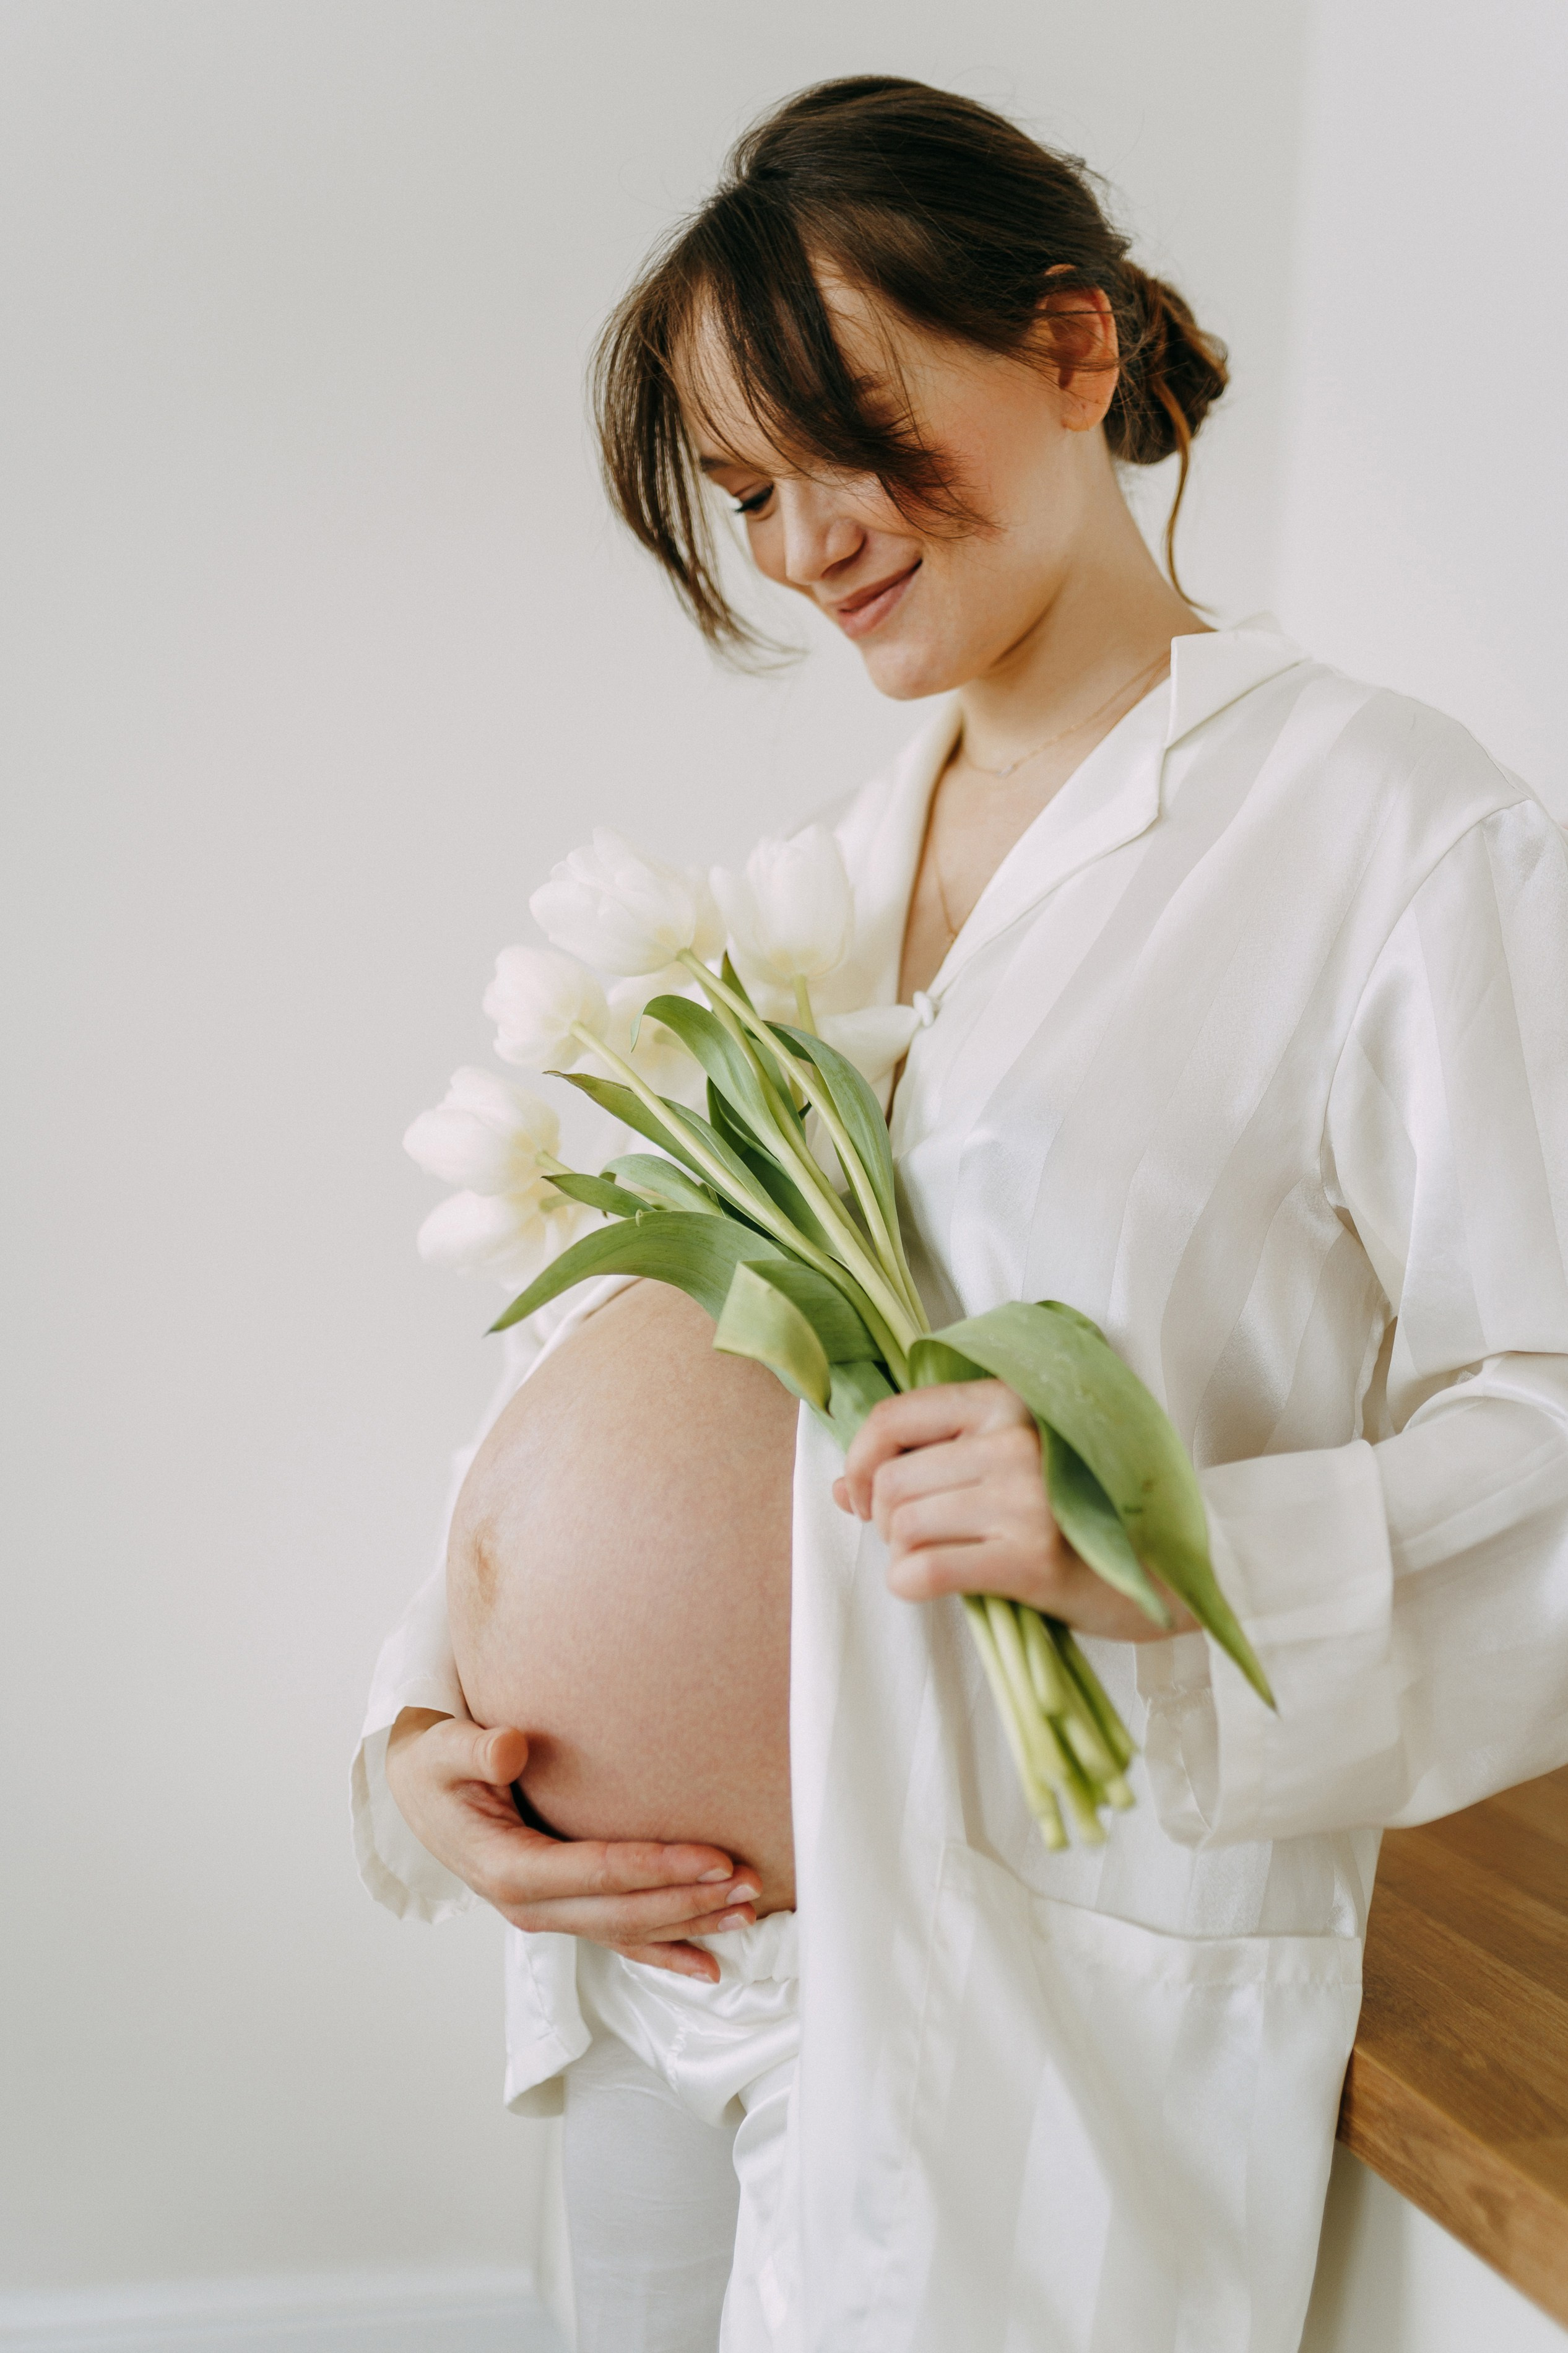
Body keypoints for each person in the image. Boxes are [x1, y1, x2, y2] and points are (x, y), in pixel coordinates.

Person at [355, 74, 1568, 2353]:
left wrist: (1165, 1544)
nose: (808, 540)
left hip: (1011, 2026)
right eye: (748, 492)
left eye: (857, 432)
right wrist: (419, 1730)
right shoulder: (830, 863)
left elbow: (1556, 1414)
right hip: (654, 1973)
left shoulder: (1386, 828)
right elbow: (638, 1356)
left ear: (1076, 348)